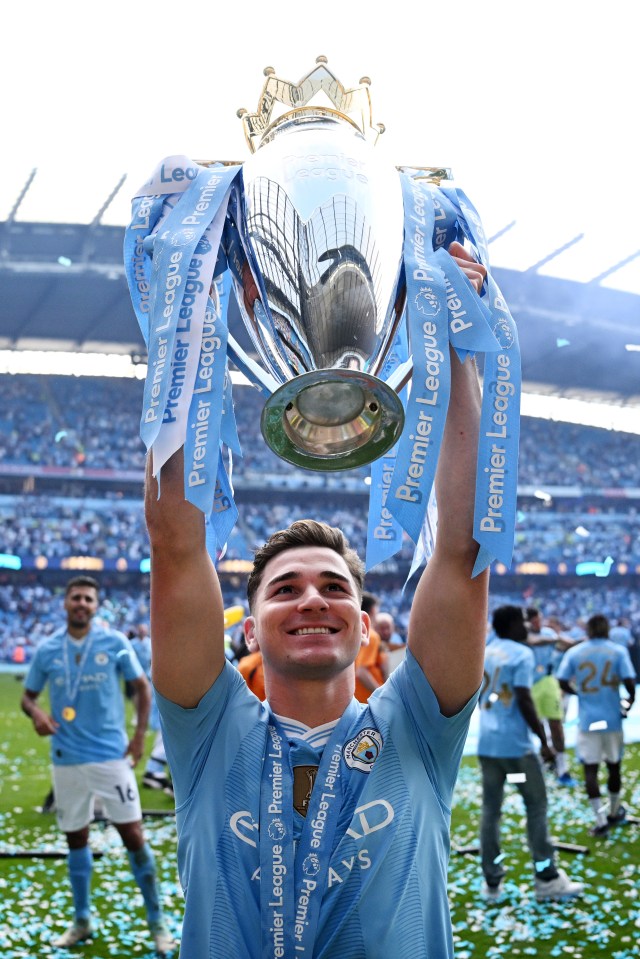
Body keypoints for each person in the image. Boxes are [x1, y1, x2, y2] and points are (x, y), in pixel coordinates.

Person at [145, 241, 491, 957]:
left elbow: (461, 551)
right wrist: (188, 320)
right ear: (249, 628)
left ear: (363, 623)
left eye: (336, 587)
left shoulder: (419, 730)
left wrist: (457, 344)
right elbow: (177, 546)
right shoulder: (207, 734)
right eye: (285, 588)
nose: (312, 598)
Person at [20, 576, 176, 955]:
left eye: (88, 598)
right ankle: (82, 920)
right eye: (75, 597)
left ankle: (158, 925)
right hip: (67, 758)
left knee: (133, 835)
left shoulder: (115, 644)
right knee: (76, 837)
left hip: (111, 757)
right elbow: (27, 697)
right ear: (66, 604)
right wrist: (37, 714)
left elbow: (141, 687)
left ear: (95, 605)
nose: (81, 604)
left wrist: (139, 737)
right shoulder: (47, 650)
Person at [478, 605, 583, 902]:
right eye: (522, 622)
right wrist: (544, 741)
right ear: (511, 624)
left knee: (491, 812)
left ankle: (492, 882)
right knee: (535, 806)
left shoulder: (486, 650)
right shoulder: (521, 654)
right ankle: (546, 877)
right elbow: (523, 698)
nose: (526, 626)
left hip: (488, 745)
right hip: (516, 750)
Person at [557, 614, 636, 836]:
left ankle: (600, 820)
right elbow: (630, 683)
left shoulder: (576, 651)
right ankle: (613, 810)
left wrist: (579, 692)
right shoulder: (617, 651)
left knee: (590, 770)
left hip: (588, 719)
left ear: (589, 630)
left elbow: (562, 680)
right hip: (611, 718)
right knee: (614, 767)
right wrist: (628, 703)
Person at [525, 607, 576, 786]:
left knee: (556, 723)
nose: (539, 623)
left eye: (540, 619)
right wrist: (557, 638)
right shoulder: (524, 634)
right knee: (537, 728)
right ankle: (545, 759)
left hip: (548, 682)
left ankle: (562, 767)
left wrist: (578, 642)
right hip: (530, 684)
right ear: (528, 621)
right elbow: (535, 641)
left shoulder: (548, 632)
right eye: (535, 620)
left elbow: (565, 645)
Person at [353, 592, 386, 702]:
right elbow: (361, 672)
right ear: (372, 610)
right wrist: (383, 695)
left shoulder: (354, 633)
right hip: (368, 700)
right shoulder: (370, 636)